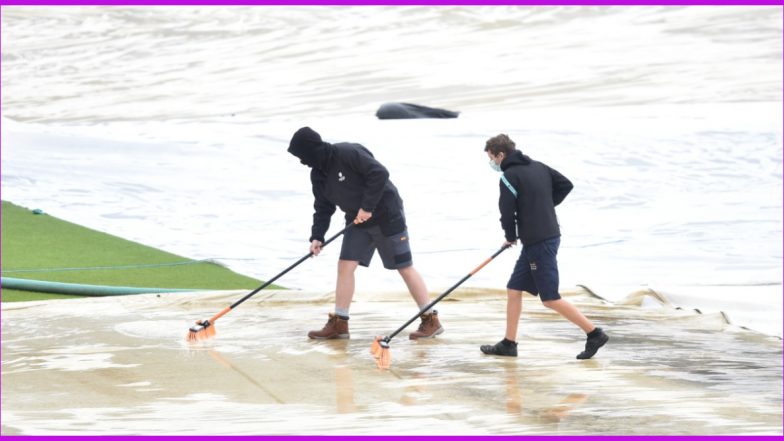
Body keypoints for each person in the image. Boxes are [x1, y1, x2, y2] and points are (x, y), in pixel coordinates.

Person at [287, 127, 444, 340]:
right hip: (357, 221)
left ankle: (430, 320)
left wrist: (368, 207)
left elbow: (379, 173)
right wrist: (318, 236)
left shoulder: (347, 152)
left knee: (404, 267)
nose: (301, 161)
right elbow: (323, 207)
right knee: (345, 265)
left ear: (312, 149)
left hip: (387, 215)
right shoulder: (318, 174)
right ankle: (340, 324)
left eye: (302, 156)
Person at [480, 134, 608, 359]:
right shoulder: (539, 167)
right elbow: (565, 185)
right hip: (541, 238)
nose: (492, 163)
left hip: (540, 242)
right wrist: (543, 206)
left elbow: (507, 213)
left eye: (492, 158)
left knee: (550, 298)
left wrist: (510, 236)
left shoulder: (508, 176)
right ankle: (509, 344)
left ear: (501, 155)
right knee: (514, 289)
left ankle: (594, 333)